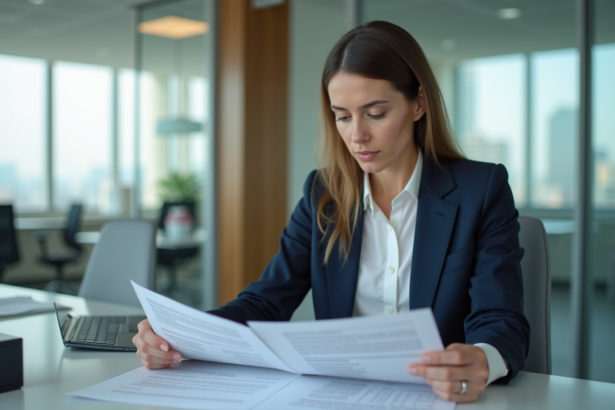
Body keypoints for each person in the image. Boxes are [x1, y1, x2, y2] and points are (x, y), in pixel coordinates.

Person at [133, 20, 530, 403]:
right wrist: (181, 338)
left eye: (375, 113)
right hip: (343, 396)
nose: (357, 135)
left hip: (438, 397)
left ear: (418, 104)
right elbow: (265, 302)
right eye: (342, 116)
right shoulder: (323, 194)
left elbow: (501, 320)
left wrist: (482, 359)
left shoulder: (482, 189)